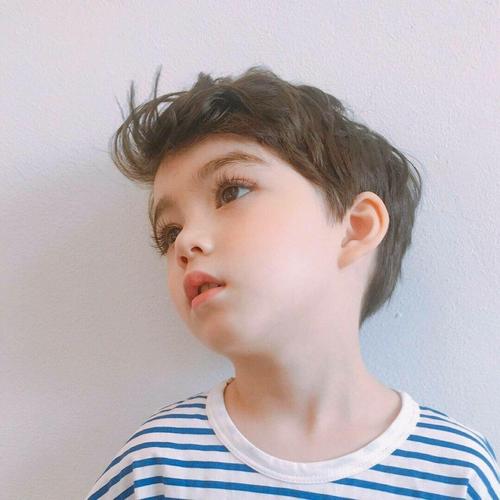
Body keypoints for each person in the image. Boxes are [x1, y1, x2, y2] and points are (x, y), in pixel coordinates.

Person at [86, 65, 499, 499]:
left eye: (231, 192)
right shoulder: (157, 465)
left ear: (355, 228)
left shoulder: (454, 470)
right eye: (169, 233)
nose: (186, 242)